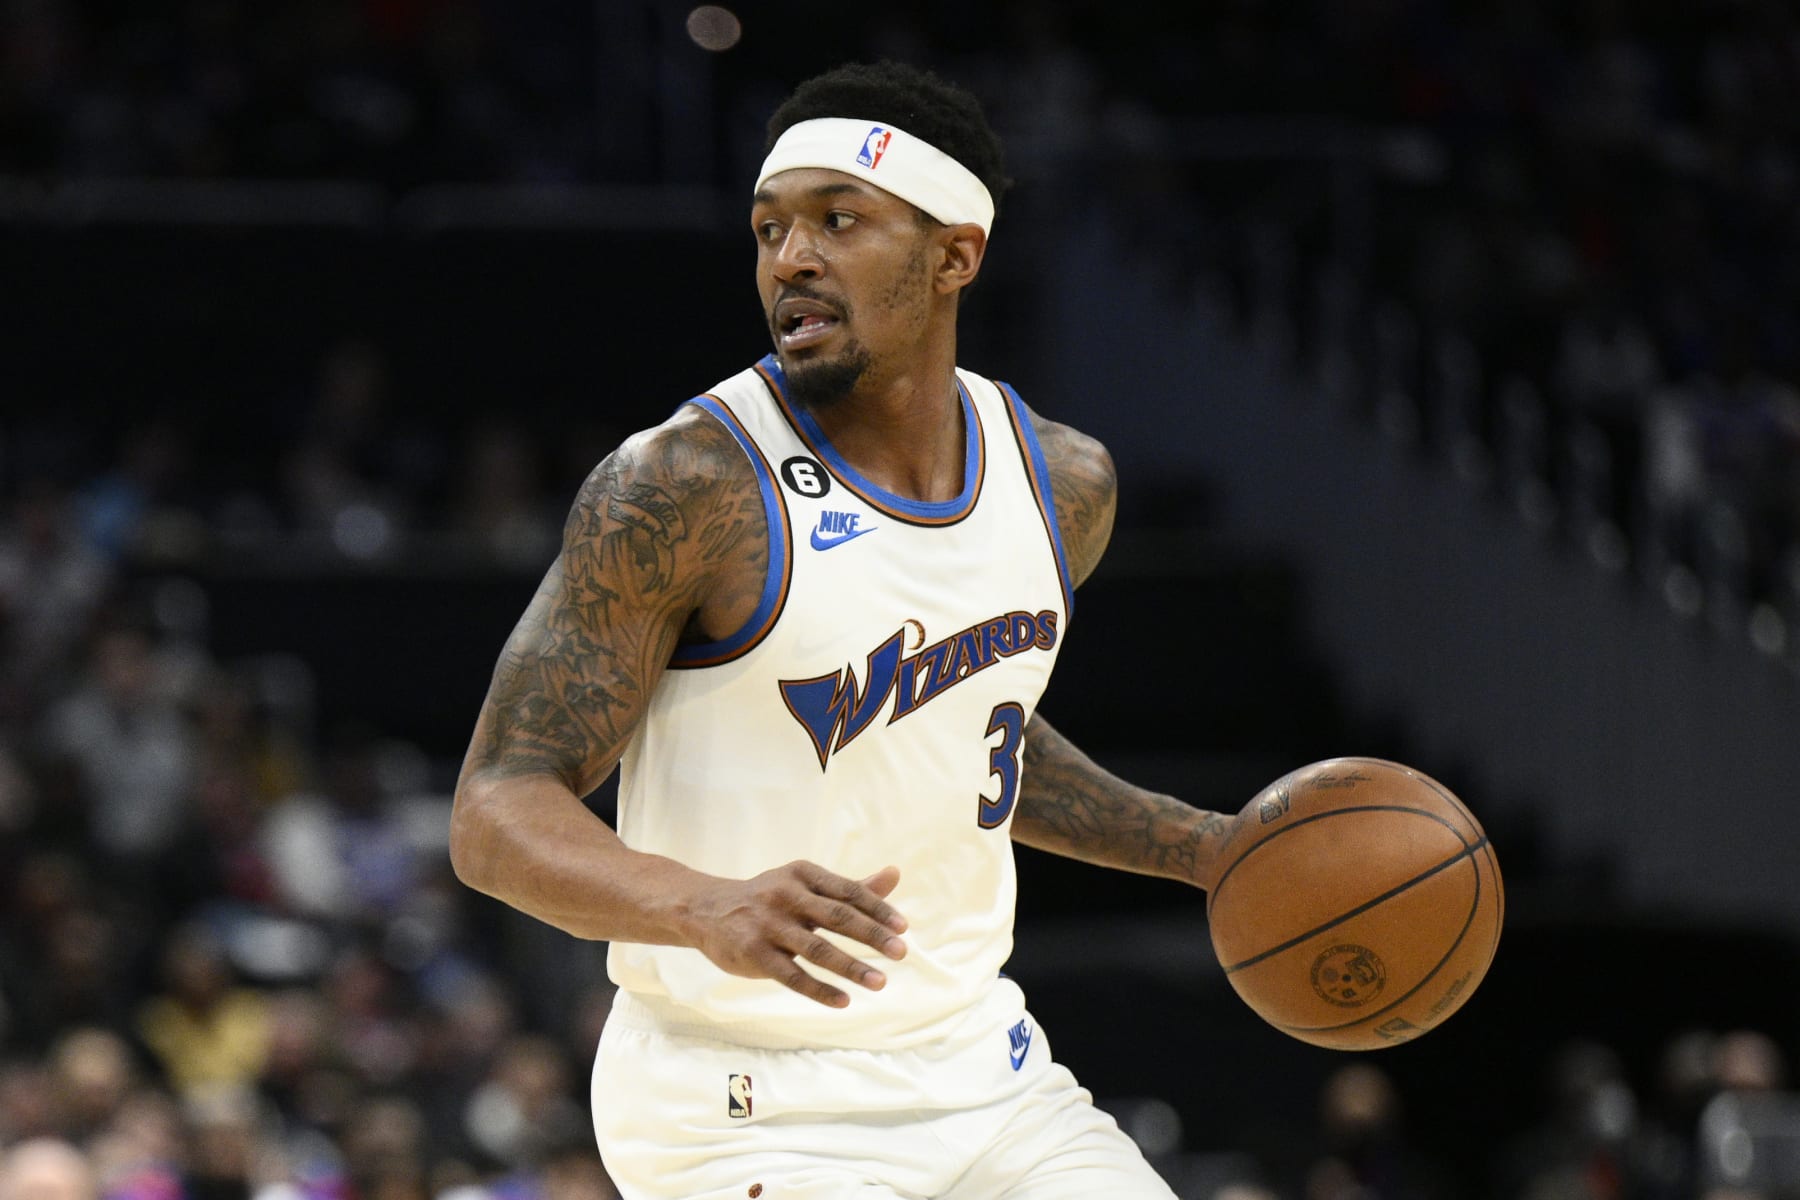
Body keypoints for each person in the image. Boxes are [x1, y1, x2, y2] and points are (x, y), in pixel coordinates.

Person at [449, 60, 1232, 1199]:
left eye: (838, 220)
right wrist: (699, 902)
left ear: (956, 253)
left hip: (984, 1073)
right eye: (770, 228)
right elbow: (494, 808)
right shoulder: (686, 484)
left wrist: (1206, 849)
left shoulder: (1063, 484)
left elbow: (971, 733)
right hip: (744, 1102)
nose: (790, 258)